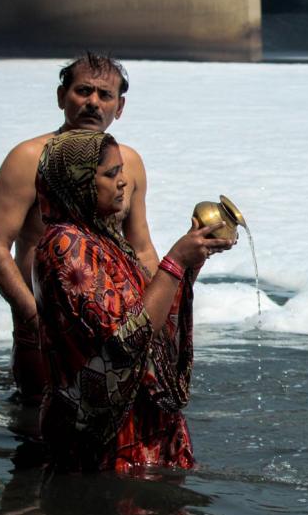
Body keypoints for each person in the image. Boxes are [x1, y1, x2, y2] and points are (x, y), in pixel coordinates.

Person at [33, 129, 231, 472]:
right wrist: (175, 262)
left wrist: (190, 263)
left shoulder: (103, 237)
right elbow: (124, 340)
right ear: (77, 182)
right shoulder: (65, 246)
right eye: (110, 174)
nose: (123, 182)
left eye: (121, 170)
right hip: (104, 438)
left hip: (139, 428)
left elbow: (149, 312)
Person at [0, 53, 157, 404]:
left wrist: (157, 318)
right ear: (62, 97)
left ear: (119, 107)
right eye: (83, 91)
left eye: (104, 95)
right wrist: (33, 318)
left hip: (113, 324)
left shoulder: (128, 163)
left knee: (122, 428)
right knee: (39, 426)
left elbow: (141, 249)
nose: (93, 102)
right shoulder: (30, 158)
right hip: (44, 321)